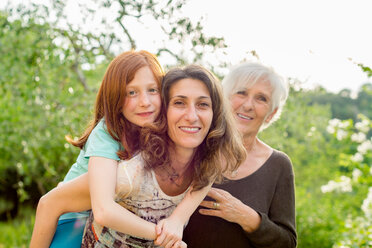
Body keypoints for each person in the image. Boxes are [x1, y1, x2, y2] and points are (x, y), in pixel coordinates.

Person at [30, 64, 246, 248]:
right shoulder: (127, 170)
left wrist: (178, 220)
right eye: (179, 102)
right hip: (71, 221)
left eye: (203, 104)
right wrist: (163, 235)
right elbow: (51, 204)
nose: (191, 116)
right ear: (164, 112)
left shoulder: (210, 158)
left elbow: (206, 175)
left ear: (215, 114)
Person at [30, 50, 164, 248]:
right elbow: (102, 209)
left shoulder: (160, 132)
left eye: (152, 90)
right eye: (131, 92)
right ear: (115, 98)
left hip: (113, 225)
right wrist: (162, 234)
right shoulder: (107, 133)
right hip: (76, 219)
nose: (145, 101)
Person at [183, 62, 297, 248]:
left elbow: (287, 243)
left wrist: (248, 218)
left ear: (271, 113)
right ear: (223, 98)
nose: (248, 105)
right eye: (241, 93)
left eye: (261, 98)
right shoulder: (193, 147)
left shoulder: (278, 165)